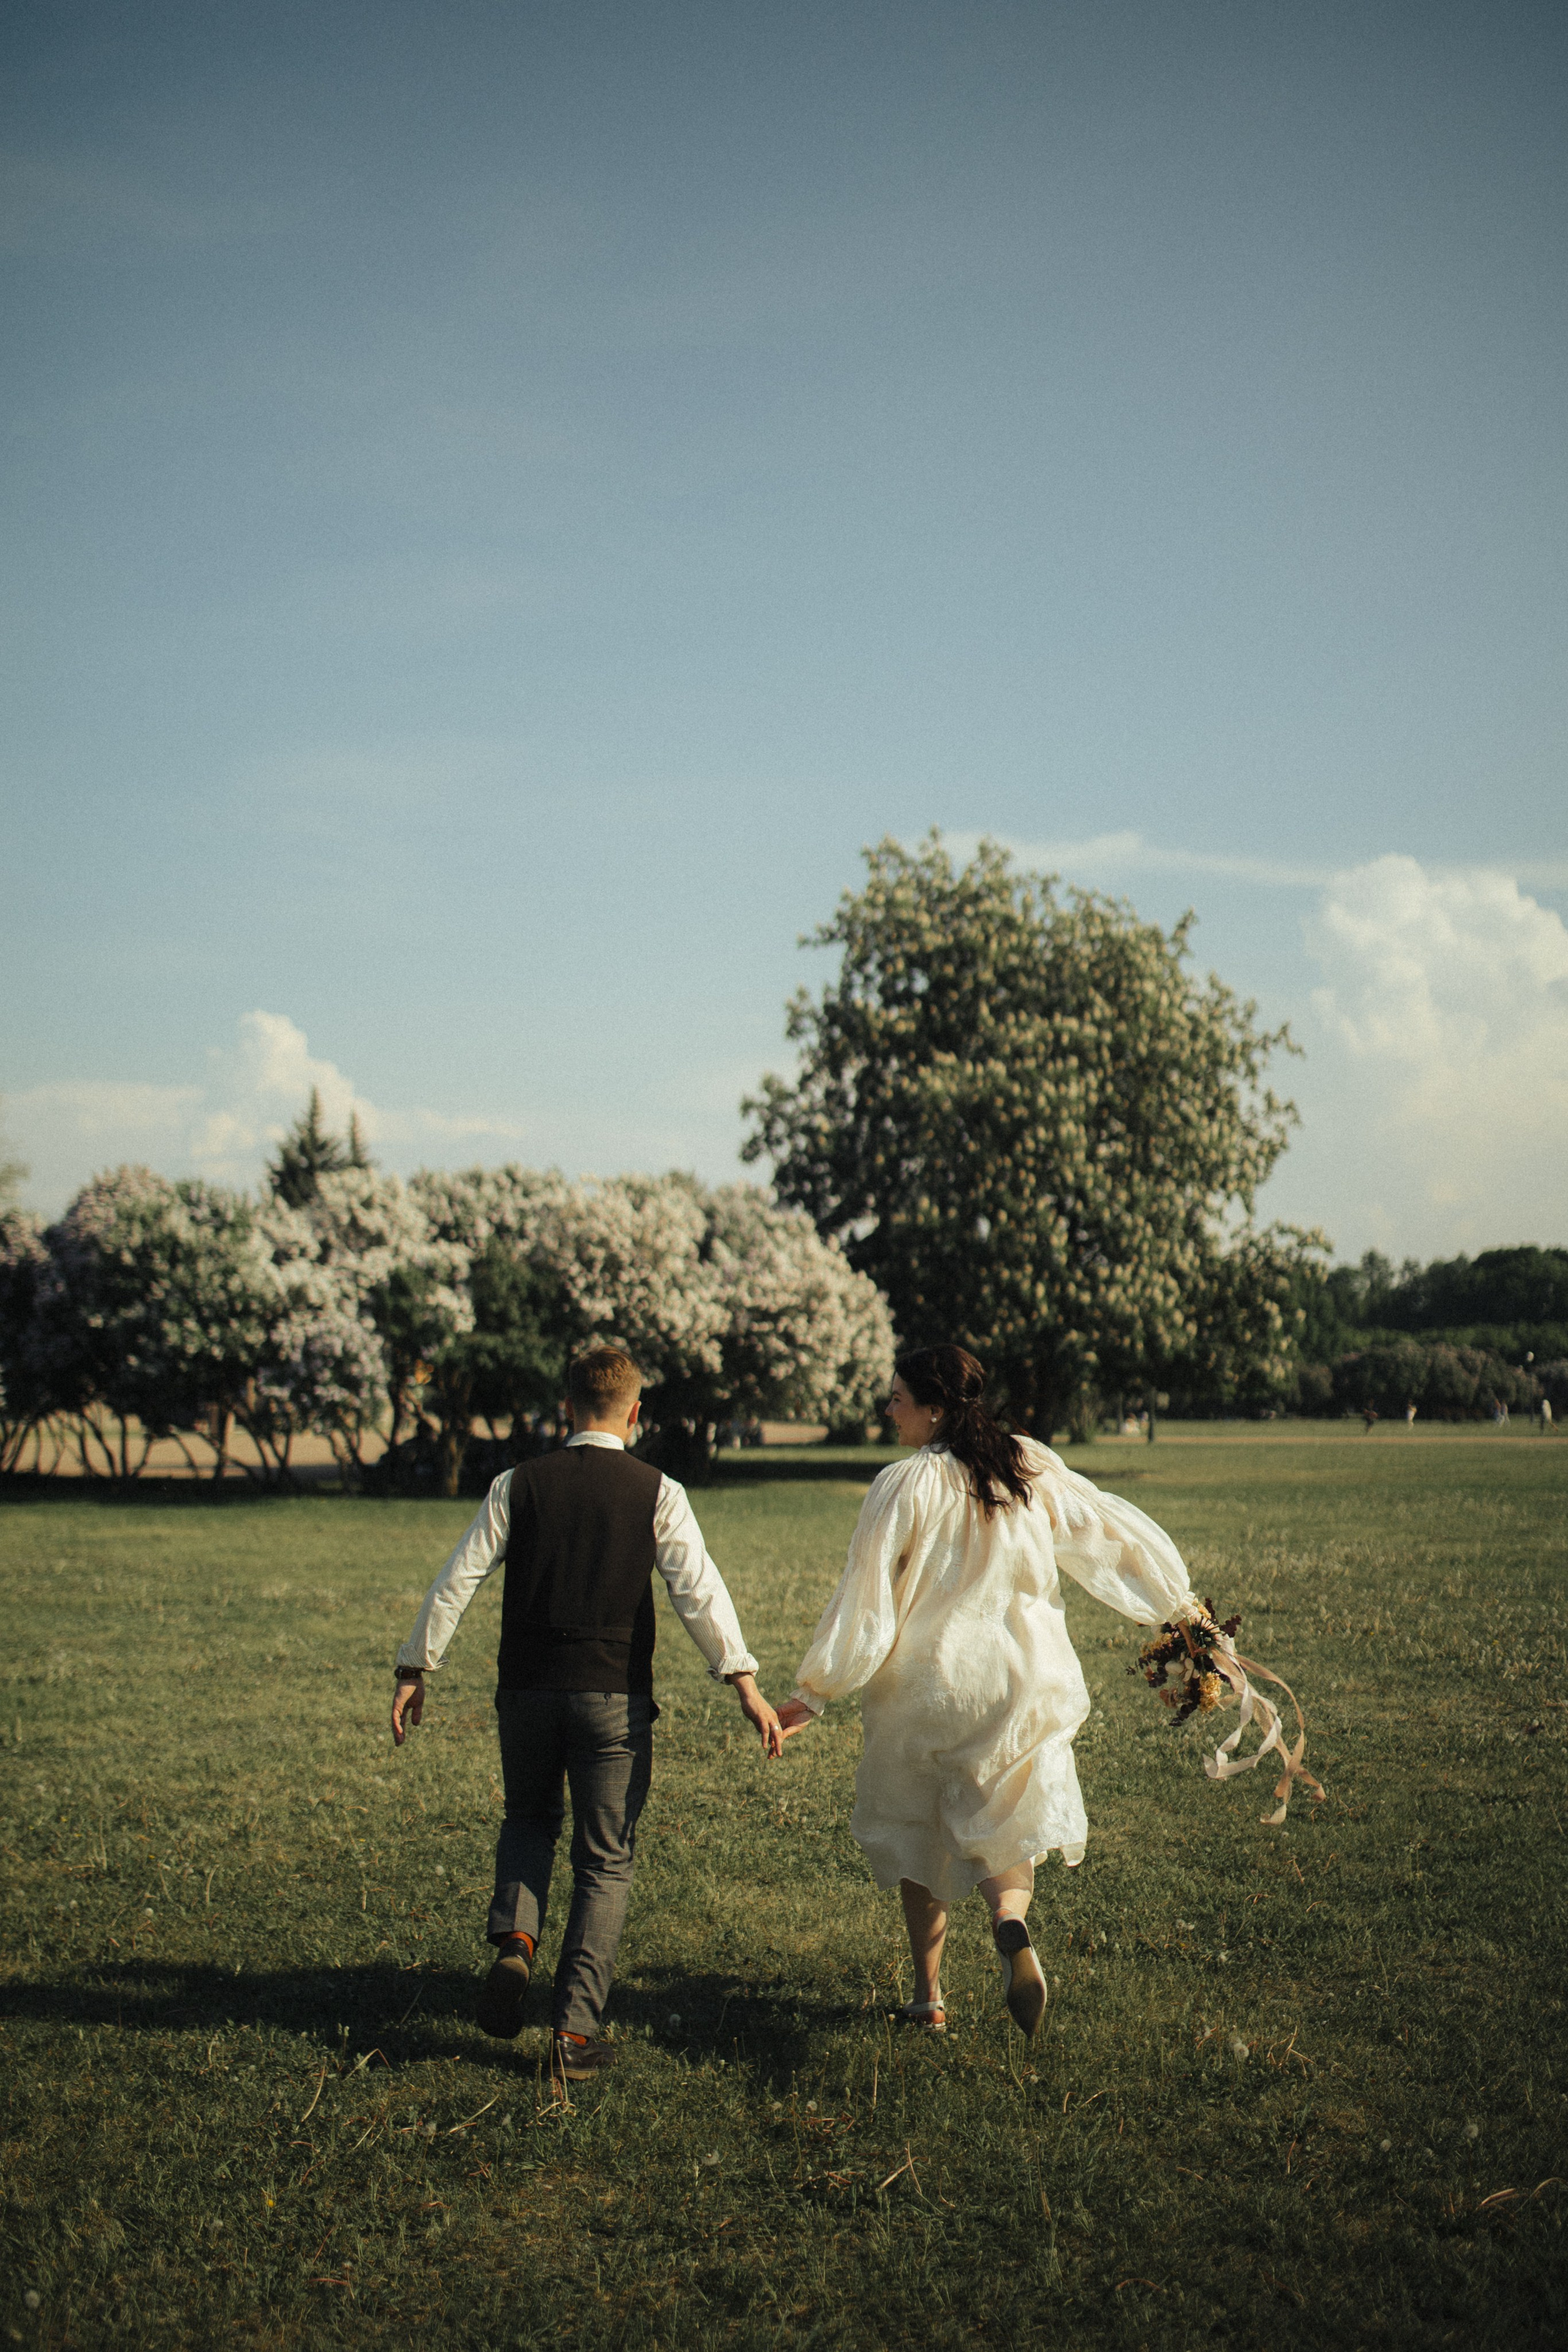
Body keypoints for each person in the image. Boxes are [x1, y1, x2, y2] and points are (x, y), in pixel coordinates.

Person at [774, 1345, 1200, 2039]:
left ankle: (927, 1998)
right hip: (1020, 1681)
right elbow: (1104, 1534)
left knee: (920, 1834)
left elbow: (866, 1597)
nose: (888, 1409)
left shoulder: (902, 1484)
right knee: (1007, 1818)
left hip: (928, 1686)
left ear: (934, 1409)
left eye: (898, 1398)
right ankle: (1009, 1921)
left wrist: (816, 1692)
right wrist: (1179, 1610)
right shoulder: (1025, 1462)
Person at [391, 1346, 782, 2080]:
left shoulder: (517, 1483)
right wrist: (743, 1681)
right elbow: (698, 1590)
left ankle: (516, 1941)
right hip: (614, 1699)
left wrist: (416, 1667)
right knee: (605, 1861)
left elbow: (458, 1577)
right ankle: (572, 2034)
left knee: (527, 1821)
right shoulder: (658, 1490)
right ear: (635, 1413)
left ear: (566, 1407)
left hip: (526, 1692)